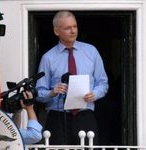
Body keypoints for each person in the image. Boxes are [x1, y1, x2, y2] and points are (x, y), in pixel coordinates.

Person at [36, 10, 108, 145]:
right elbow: (39, 93)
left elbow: (103, 83)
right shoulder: (48, 58)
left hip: (85, 115)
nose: (73, 31)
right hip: (57, 117)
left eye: (75, 26)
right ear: (57, 31)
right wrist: (52, 92)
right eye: (67, 28)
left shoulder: (91, 52)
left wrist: (95, 94)